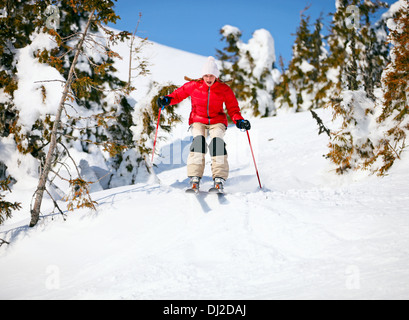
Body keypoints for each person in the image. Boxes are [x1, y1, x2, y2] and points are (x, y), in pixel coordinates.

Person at [157, 56, 251, 192]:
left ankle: (219, 178)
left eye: (211, 76)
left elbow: (233, 109)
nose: (208, 79)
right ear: (202, 76)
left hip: (217, 121)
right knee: (198, 142)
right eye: (206, 75)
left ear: (216, 76)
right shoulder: (194, 86)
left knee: (217, 142)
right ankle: (195, 177)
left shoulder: (224, 89)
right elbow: (178, 95)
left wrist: (240, 121)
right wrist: (166, 100)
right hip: (198, 120)